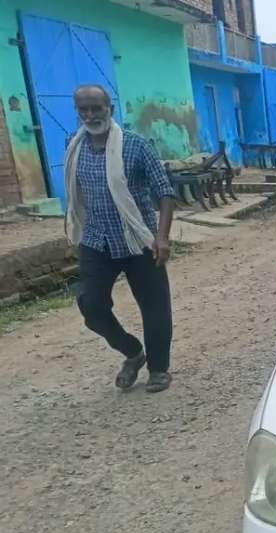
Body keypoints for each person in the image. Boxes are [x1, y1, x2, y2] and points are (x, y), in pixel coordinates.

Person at [65, 84, 176, 393]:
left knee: (154, 306)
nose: (90, 115)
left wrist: (162, 237)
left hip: (139, 239)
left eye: (96, 108)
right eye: (83, 109)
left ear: (109, 108)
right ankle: (133, 353)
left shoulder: (137, 146)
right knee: (92, 305)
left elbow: (165, 192)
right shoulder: (73, 146)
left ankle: (158, 369)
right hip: (96, 240)